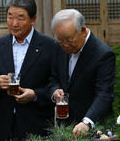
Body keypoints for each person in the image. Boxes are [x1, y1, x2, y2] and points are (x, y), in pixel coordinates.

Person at [0, 0, 55, 140]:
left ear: (33, 19)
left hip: (36, 124)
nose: (14, 23)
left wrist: (35, 95)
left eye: (20, 18)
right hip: (3, 125)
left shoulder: (50, 46)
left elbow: (56, 83)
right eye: (10, 17)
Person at [48, 9, 115, 137]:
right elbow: (53, 78)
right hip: (64, 126)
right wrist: (55, 91)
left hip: (94, 128)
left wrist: (87, 122)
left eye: (69, 40)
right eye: (60, 41)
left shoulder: (103, 54)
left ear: (83, 31)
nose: (65, 46)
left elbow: (104, 94)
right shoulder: (59, 47)